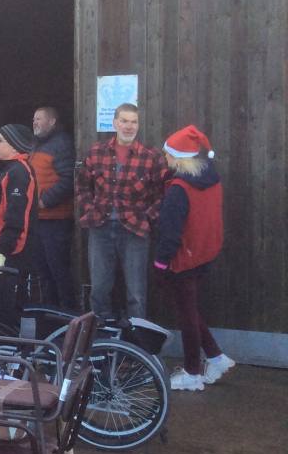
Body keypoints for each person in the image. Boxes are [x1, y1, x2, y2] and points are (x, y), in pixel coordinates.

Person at [154, 126, 235, 391]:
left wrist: (160, 263)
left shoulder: (179, 189)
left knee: (186, 314)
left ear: (179, 158)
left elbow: (170, 232)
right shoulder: (211, 179)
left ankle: (192, 372)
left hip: (184, 258)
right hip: (204, 253)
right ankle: (216, 357)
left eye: (168, 154)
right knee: (190, 308)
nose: (165, 158)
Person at [76, 103, 167, 321]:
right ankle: (100, 337)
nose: (129, 126)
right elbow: (82, 186)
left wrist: (147, 218)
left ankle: (137, 340)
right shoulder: (96, 152)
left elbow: (162, 195)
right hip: (100, 228)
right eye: (124, 121)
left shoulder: (151, 156)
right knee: (99, 290)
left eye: (134, 122)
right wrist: (90, 209)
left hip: (135, 231)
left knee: (136, 293)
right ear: (115, 123)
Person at [30, 106, 77, 308]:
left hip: (55, 220)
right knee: (43, 272)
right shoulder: (36, 145)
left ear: (52, 122)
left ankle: (66, 313)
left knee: (58, 271)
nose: (35, 122)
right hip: (39, 219)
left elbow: (68, 179)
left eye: (39, 119)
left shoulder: (61, 144)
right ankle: (49, 313)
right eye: (34, 119)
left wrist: (45, 201)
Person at [0, 124, 39, 271]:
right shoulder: (4, 169)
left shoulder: (19, 172)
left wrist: (1, 253)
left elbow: (17, 216)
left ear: (14, 146)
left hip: (9, 256)